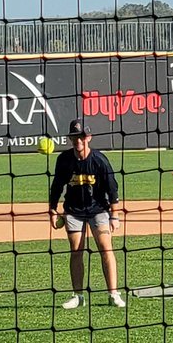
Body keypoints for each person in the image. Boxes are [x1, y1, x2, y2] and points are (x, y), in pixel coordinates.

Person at [47, 120, 126, 309]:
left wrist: (114, 215)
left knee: (105, 248)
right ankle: (78, 296)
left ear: (88, 137)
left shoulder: (99, 160)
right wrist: (53, 210)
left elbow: (112, 189)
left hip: (98, 209)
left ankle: (113, 294)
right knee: (76, 250)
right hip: (73, 211)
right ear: (70, 139)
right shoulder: (64, 160)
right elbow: (57, 186)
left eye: (81, 137)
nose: (78, 141)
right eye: (74, 137)